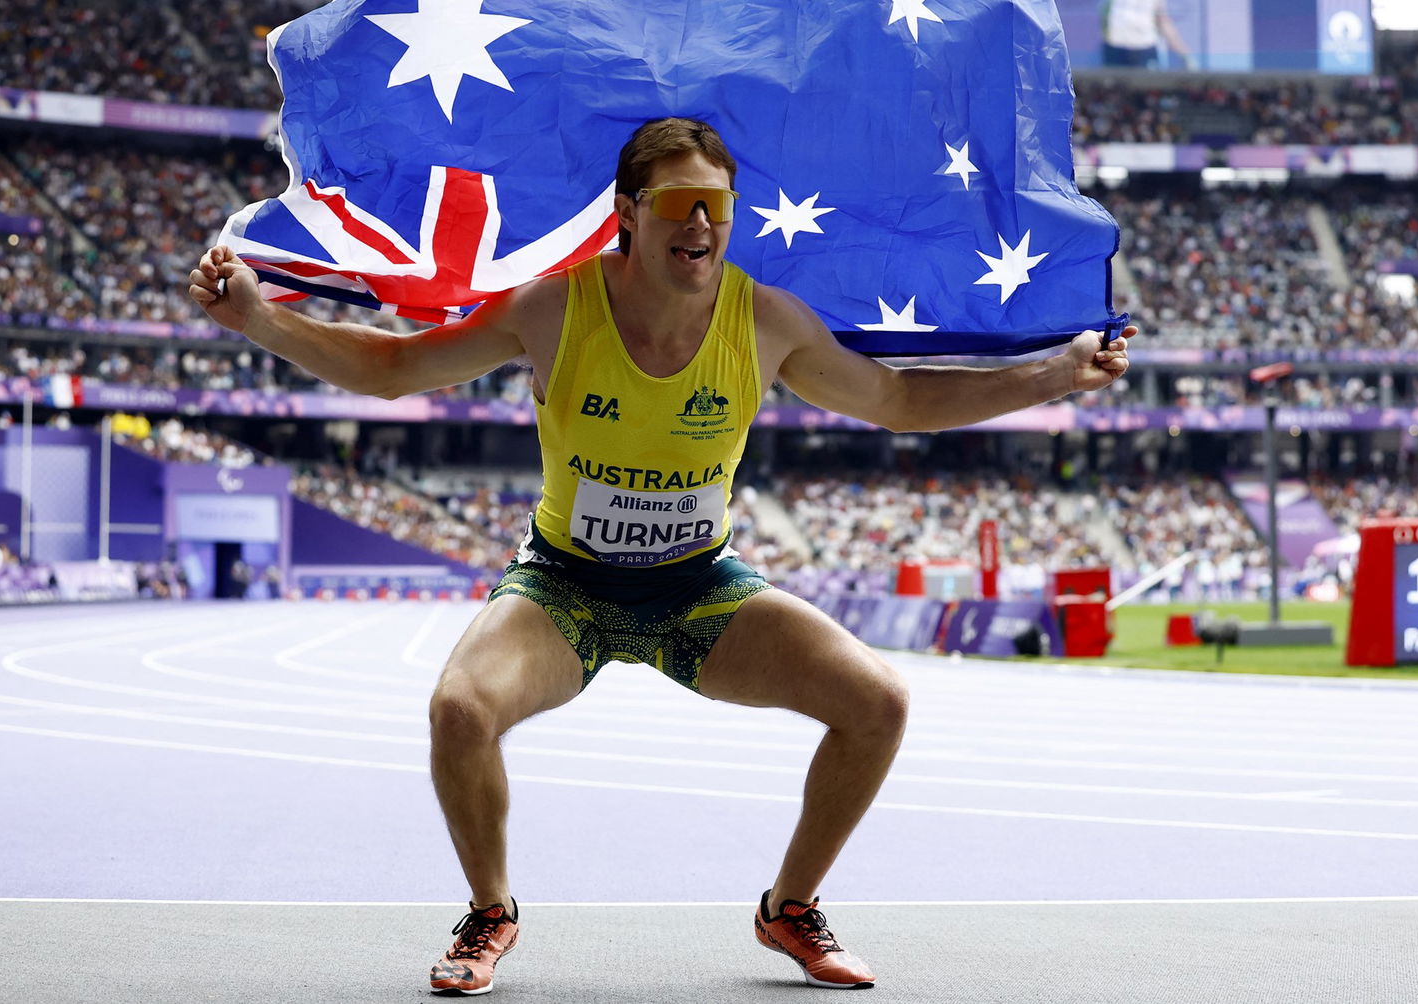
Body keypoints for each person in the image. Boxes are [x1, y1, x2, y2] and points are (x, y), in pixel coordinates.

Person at [188, 117, 1137, 994]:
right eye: (678, 204)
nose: (700, 224)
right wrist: (260, 320)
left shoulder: (765, 322)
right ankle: (489, 912)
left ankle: (790, 910)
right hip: (565, 586)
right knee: (459, 709)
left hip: (698, 593)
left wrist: (1057, 374)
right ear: (626, 217)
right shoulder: (554, 309)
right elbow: (393, 369)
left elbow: (900, 403)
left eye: (716, 206)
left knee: (877, 703)